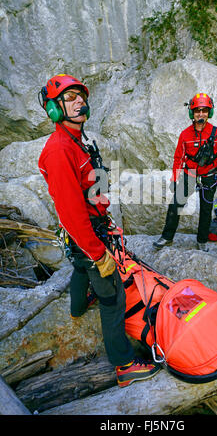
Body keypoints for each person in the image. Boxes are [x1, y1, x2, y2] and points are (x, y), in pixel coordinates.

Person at [38, 74, 160, 387]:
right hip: (85, 234)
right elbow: (70, 211)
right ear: (54, 109)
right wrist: (98, 253)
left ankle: (78, 308)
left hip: (89, 229)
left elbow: (92, 190)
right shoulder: (59, 150)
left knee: (79, 267)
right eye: (69, 98)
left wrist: (106, 221)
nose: (79, 102)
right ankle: (124, 365)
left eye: (81, 96)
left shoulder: (80, 142)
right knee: (113, 296)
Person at [153, 92, 217, 252]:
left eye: (204, 110)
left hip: (209, 176)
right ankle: (167, 237)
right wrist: (175, 180)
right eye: (197, 111)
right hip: (189, 175)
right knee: (175, 205)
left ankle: (202, 240)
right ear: (192, 113)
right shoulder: (185, 135)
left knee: (206, 209)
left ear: (209, 112)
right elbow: (178, 158)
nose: (201, 114)